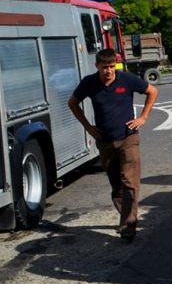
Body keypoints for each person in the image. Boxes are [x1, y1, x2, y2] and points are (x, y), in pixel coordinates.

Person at [68, 48, 158, 240]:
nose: (109, 71)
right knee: (116, 185)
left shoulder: (126, 79)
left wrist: (143, 117)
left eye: (111, 66)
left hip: (128, 137)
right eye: (104, 67)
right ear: (97, 66)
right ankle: (128, 217)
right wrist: (87, 126)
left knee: (129, 181)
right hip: (105, 140)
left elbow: (152, 91)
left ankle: (128, 226)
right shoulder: (89, 83)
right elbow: (73, 103)